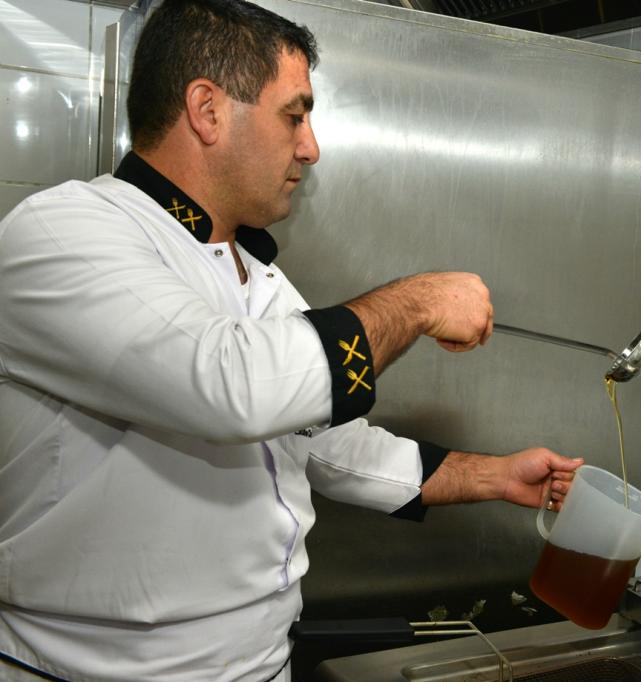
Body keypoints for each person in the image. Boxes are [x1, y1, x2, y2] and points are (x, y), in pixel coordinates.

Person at [0, 1, 583, 680]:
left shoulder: (257, 276)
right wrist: (419, 302)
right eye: (294, 115)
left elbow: (326, 443)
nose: (310, 147)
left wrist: (495, 476)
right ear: (207, 110)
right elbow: (230, 388)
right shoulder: (64, 232)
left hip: (260, 660)